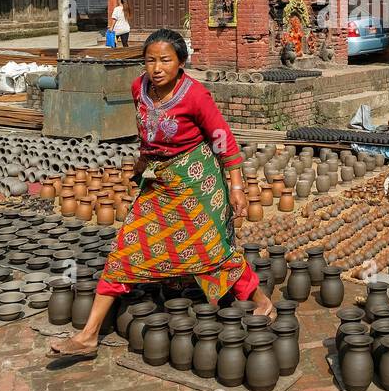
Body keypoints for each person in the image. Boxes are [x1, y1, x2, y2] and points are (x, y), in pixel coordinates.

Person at [49, 29, 273, 358]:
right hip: (160, 181)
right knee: (125, 250)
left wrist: (236, 186)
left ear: (181, 62)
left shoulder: (195, 95)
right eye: (150, 60)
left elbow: (223, 139)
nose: (157, 67)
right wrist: (142, 162)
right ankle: (88, 336)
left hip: (197, 182)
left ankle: (262, 302)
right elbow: (146, 131)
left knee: (210, 254)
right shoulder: (138, 88)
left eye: (165, 60)